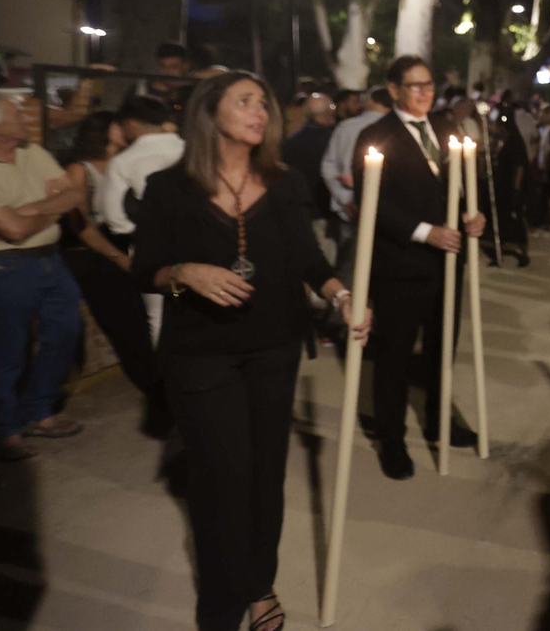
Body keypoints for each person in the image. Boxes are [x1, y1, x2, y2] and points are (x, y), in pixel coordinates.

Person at [131, 71, 370, 631]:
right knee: (221, 479)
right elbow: (144, 272)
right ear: (208, 113)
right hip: (201, 357)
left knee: (265, 476)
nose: (260, 112)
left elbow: (309, 260)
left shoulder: (283, 183)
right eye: (244, 102)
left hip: (274, 350)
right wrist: (185, 273)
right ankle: (220, 604)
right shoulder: (170, 188)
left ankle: (258, 585)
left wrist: (341, 295)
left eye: (263, 102)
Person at [352, 55, 487, 479]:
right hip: (403, 263)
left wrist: (472, 215)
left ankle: (437, 420)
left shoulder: (447, 129)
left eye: (429, 84)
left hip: (449, 260)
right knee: (393, 355)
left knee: (441, 348)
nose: (425, 93)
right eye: (415, 86)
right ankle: (391, 439)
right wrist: (424, 232)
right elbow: (375, 205)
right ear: (393, 90)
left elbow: (461, 187)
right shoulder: (376, 136)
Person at [0, 90, 88, 461]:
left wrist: (27, 211)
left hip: (49, 260)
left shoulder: (31, 152)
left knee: (66, 333)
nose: (26, 117)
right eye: (16, 114)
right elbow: (11, 232)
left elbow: (73, 195)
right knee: (8, 352)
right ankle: (5, 429)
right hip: (3, 267)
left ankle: (38, 410)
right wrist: (37, 214)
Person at [59, 112, 170, 437]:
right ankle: (158, 395)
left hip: (131, 250)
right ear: (104, 130)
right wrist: (120, 259)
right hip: (100, 258)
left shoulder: (128, 160)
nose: (127, 128)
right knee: (131, 329)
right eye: (119, 124)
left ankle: (165, 390)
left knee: (151, 322)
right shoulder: (80, 169)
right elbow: (80, 226)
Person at [321, 87, 394, 284]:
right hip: (381, 214)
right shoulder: (393, 130)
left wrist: (344, 199)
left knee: (349, 271)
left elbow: (328, 166)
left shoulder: (346, 127)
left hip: (352, 211)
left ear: (369, 101)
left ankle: (344, 308)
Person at [103, 95, 185, 240]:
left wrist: (143, 236)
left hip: (155, 242)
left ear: (130, 124)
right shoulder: (191, 149)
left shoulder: (123, 161)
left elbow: (114, 216)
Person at [282, 92, 338, 257]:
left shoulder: (291, 142)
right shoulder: (331, 141)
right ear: (328, 113)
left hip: (297, 212)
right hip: (323, 213)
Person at [490, 107, 531, 267]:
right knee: (503, 218)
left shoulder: (514, 140)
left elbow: (519, 165)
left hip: (513, 186)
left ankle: (523, 251)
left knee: (517, 218)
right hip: (504, 185)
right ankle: (502, 249)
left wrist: (516, 189)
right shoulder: (505, 139)